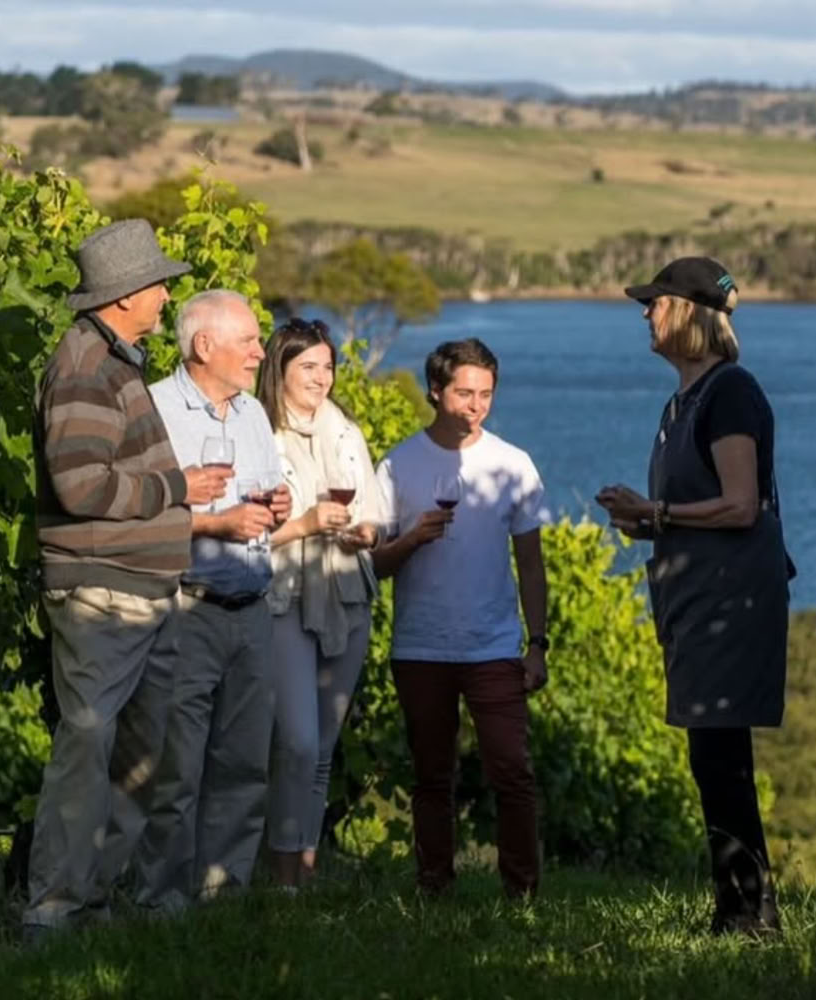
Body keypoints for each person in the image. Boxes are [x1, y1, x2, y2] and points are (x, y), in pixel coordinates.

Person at [25, 220, 230, 933]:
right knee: (89, 746)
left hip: (138, 590)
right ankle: (54, 910)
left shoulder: (118, 359)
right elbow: (82, 487)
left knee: (135, 756)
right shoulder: (86, 367)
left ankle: (91, 902)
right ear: (124, 296)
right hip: (103, 592)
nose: (168, 294)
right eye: (159, 284)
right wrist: (176, 486)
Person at [596, 257, 789, 936]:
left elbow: (739, 506)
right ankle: (738, 908)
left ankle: (751, 914)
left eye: (655, 302)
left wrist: (659, 513)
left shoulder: (731, 392)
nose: (645, 313)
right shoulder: (684, 401)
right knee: (712, 756)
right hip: (698, 595)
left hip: (729, 599)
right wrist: (646, 517)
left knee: (720, 755)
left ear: (688, 313)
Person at [372, 337, 549, 897]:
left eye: (486, 394)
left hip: (494, 646)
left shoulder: (513, 464)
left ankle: (522, 892)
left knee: (512, 773)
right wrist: (411, 541)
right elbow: (372, 564)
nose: (475, 405)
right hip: (420, 645)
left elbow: (531, 562)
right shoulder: (399, 464)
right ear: (435, 391)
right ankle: (434, 888)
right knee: (431, 776)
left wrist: (537, 643)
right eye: (464, 393)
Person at [133, 290, 290, 911]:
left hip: (252, 609)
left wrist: (276, 506)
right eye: (250, 340)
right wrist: (215, 526)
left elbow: (264, 496)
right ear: (205, 346)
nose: (260, 350)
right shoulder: (153, 411)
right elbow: (140, 513)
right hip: (186, 610)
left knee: (246, 765)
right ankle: (162, 904)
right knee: (176, 770)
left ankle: (223, 900)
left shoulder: (251, 411)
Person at [255, 317, 380, 890]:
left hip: (348, 593)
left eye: (328, 366)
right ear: (279, 368)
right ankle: (281, 877)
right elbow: (250, 535)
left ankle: (304, 872)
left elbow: (371, 517)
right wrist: (305, 524)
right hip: (285, 596)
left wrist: (364, 535)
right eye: (308, 367)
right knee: (298, 741)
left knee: (324, 747)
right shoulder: (258, 435)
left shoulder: (346, 431)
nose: (322, 378)